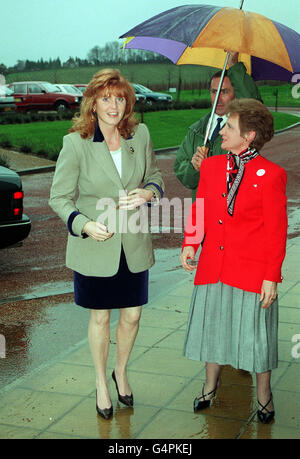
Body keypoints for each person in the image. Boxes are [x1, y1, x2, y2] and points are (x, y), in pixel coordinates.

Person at [49, 69, 164, 420]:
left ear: (127, 101)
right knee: (100, 319)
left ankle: (121, 371)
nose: (113, 105)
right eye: (105, 98)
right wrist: (83, 225)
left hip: (133, 245)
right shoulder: (76, 143)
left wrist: (148, 192)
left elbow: (155, 177)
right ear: (93, 103)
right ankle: (101, 383)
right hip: (95, 248)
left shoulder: (139, 134)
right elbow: (60, 197)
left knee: (132, 315)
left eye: (119, 97)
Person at [180, 98, 287, 424]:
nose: (222, 131)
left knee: (256, 337)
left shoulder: (271, 175)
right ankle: (210, 386)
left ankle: (264, 395)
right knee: (213, 330)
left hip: (252, 273)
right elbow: (200, 209)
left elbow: (276, 231)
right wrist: (190, 243)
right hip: (214, 266)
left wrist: (272, 276)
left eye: (229, 126)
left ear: (249, 135)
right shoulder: (211, 167)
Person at [174, 51, 262, 201]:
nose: (218, 99)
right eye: (214, 92)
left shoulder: (244, 127)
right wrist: (194, 168)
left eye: (225, 92)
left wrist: (234, 66)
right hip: (203, 215)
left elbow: (255, 106)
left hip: (234, 213)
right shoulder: (197, 130)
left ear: (236, 93)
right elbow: (183, 174)